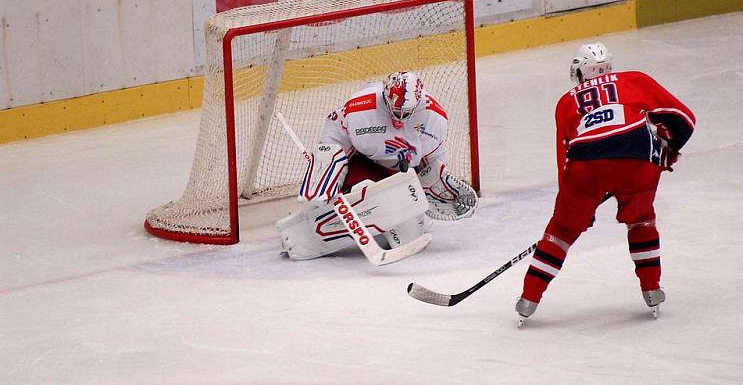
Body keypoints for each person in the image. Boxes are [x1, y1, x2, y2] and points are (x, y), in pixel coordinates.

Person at [516, 42, 696, 323]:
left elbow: (564, 155)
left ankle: (528, 299)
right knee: (641, 220)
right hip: (637, 158)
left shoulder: (566, 101)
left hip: (585, 164)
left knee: (561, 232)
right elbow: (684, 119)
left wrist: (575, 208)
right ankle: (651, 289)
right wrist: (668, 151)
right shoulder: (635, 80)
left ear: (579, 72)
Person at [278, 71, 477, 261]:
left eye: (406, 112)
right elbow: (334, 134)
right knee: (350, 192)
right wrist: (328, 169)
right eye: (396, 109)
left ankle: (399, 215)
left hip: (397, 177)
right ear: (385, 95)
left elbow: (433, 161)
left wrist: (430, 186)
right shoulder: (360, 108)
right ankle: (308, 229)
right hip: (362, 165)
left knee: (408, 237)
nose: (400, 118)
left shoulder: (434, 118)